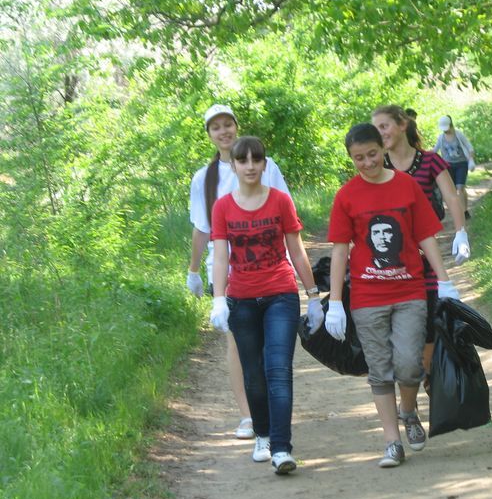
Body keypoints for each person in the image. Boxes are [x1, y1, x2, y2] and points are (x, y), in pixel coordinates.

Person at [325, 123, 461, 468]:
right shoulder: (346, 196)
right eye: (358, 158)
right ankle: (392, 442)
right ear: (351, 158)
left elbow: (426, 235)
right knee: (380, 369)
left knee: (410, 364)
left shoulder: (406, 186)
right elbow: (340, 250)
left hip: (409, 292)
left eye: (372, 154)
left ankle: (408, 411)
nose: (367, 162)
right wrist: (336, 301)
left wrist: (444, 281)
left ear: (383, 149)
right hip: (367, 297)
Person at [209, 135, 323, 475]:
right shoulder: (223, 207)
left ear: (264, 163)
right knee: (254, 374)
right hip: (241, 300)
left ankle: (282, 448)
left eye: (256, 160)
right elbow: (221, 256)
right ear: (233, 166)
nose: (250, 166)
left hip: (280, 295)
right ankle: (262, 435)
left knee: (278, 369)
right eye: (243, 160)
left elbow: (297, 250)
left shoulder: (280, 201)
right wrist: (219, 299)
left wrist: (313, 296)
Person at [186, 103, 291, 441]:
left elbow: (286, 216)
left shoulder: (265, 165)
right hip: (227, 272)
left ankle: (272, 409)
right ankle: (248, 414)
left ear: (236, 126)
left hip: (269, 267)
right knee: (238, 345)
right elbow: (202, 228)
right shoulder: (204, 179)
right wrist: (193, 271)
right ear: (209, 134)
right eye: (216, 127)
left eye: (227, 124)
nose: (223, 131)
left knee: (272, 345)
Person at [371, 105, 469, 386]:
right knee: (392, 324)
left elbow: (451, 197)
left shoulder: (430, 161)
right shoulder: (378, 165)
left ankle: (428, 380)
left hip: (425, 255)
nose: (380, 133)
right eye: (376, 129)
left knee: (428, 321)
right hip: (389, 259)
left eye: (384, 126)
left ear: (402, 125)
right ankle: (407, 384)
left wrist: (461, 232)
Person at [433, 114, 476, 220]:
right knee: (451, 190)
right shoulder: (441, 138)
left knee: (460, 187)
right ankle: (456, 211)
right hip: (448, 166)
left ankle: (464, 211)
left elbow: (470, 147)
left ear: (451, 125)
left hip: (461, 164)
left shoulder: (458, 135)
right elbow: (434, 150)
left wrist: (471, 160)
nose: (445, 130)